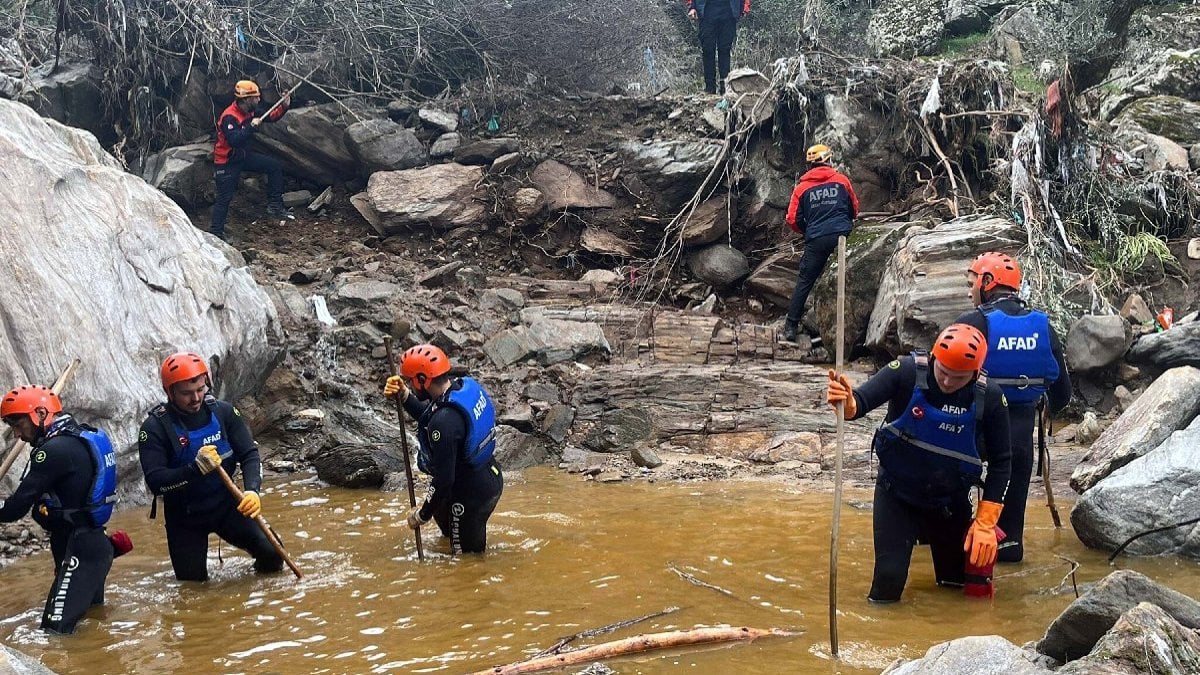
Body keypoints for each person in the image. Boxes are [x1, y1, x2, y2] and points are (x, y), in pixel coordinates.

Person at [826, 324, 1012, 603]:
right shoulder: (905, 370)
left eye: (958, 377)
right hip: (897, 494)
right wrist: (848, 403)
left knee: (955, 588)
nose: (948, 382)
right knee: (887, 583)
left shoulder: (992, 398)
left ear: (975, 374)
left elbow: (1002, 463)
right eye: (943, 372)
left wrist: (985, 523)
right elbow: (860, 403)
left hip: (949, 503)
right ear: (935, 358)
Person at [954, 251, 1071, 563]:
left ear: (988, 282)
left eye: (971, 283)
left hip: (973, 432)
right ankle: (1007, 547)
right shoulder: (1044, 326)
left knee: (954, 527)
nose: (969, 291)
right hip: (1019, 435)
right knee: (1009, 546)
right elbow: (1063, 394)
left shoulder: (972, 322)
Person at [137, 352, 282, 581]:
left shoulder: (223, 412)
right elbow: (156, 482)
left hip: (227, 505)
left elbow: (250, 454)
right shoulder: (154, 428)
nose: (196, 398)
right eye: (186, 393)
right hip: (185, 517)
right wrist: (195, 469)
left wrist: (253, 490)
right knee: (192, 588)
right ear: (169, 392)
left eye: (200, 389)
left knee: (273, 555)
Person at [0, 385, 120, 634]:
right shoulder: (79, 437)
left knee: (55, 633)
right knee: (92, 624)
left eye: (19, 425)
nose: (17, 436)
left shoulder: (54, 451)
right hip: (91, 545)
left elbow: (14, 508)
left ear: (40, 414)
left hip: (80, 550)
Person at [383, 345, 503, 555]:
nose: (410, 384)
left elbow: (443, 479)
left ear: (423, 380)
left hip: (471, 494)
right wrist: (404, 396)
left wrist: (421, 515)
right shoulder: (457, 389)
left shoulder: (445, 422)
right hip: (484, 475)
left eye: (411, 381)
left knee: (467, 562)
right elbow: (432, 416)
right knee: (447, 528)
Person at [782, 144, 859, 347]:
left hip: (816, 239)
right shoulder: (841, 181)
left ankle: (791, 327)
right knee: (847, 277)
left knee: (805, 280)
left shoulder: (802, 188)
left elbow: (791, 218)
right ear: (828, 160)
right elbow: (854, 208)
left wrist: (807, 231)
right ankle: (855, 326)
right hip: (842, 236)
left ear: (810, 164)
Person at [210, 79, 292, 240]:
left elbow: (271, 116)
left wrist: (285, 106)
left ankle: (275, 206)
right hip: (227, 162)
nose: (259, 100)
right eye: (256, 97)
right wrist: (250, 127)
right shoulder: (229, 117)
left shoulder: (251, 110)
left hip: (243, 157)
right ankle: (216, 233)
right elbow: (234, 140)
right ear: (247, 99)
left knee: (273, 166)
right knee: (224, 199)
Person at [685, 0, 751, 95]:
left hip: (729, 10)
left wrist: (745, 5)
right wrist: (692, 7)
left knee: (724, 50)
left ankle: (725, 89)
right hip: (706, 10)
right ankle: (709, 89)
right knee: (707, 50)